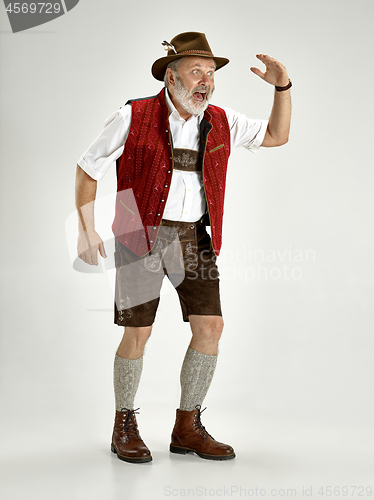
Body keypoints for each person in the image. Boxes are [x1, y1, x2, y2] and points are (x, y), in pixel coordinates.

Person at [75, 31, 291, 464]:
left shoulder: (221, 119)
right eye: (197, 71)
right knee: (138, 332)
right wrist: (86, 229)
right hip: (140, 235)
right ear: (171, 76)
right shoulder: (132, 115)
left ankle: (186, 426)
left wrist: (282, 88)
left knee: (210, 328)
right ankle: (124, 424)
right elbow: (87, 166)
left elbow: (275, 135)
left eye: (211, 74)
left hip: (194, 238)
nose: (205, 81)